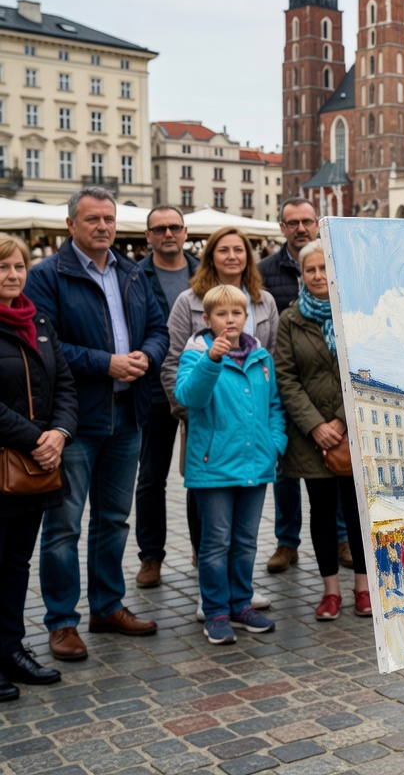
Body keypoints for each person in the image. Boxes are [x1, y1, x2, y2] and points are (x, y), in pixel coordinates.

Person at [26, 187, 169, 663]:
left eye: (109, 218)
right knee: (64, 525)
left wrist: (146, 357)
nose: (103, 226)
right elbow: (45, 345)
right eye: (92, 219)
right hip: (75, 419)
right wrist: (105, 363)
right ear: (71, 225)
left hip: (128, 414)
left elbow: (159, 329)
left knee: (113, 519)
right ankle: (61, 622)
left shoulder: (132, 272)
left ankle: (107, 606)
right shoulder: (48, 275)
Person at [161, 226, 278, 608]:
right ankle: (212, 600)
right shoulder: (191, 308)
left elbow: (272, 384)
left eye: (238, 249)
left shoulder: (263, 306)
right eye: (223, 249)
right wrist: (194, 416)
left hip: (252, 442)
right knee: (214, 531)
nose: (231, 256)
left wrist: (274, 442)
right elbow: (176, 367)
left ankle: (238, 597)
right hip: (210, 431)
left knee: (244, 536)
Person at [174, 285, 285, 644]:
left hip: (255, 463)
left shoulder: (261, 357)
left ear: (246, 317)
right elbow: (188, 397)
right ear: (207, 319)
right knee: (216, 542)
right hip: (214, 467)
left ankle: (241, 604)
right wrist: (211, 361)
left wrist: (275, 444)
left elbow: (274, 406)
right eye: (221, 314)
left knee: (246, 541)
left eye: (236, 313)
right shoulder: (196, 354)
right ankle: (216, 611)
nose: (230, 320)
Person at [273, 239, 371, 621]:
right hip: (310, 436)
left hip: (352, 429)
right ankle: (330, 591)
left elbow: (362, 367)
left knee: (357, 511)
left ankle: (363, 587)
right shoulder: (291, 319)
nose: (317, 275)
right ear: (302, 274)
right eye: (310, 269)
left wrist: (342, 421)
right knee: (322, 511)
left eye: (323, 267)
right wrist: (315, 425)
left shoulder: (353, 312)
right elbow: (286, 377)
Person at [0, 234, 75, 700]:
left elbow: (64, 383)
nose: (12, 275)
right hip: (11, 459)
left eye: (18, 266)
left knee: (15, 564)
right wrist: (35, 439)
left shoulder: (37, 320)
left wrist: (59, 433)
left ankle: (10, 649)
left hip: (33, 467)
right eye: (2, 267)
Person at [259, 198, 351, 573]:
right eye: (292, 222)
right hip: (292, 398)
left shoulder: (339, 271)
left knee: (339, 480)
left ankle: (343, 541)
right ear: (282, 227)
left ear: (316, 223)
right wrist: (311, 420)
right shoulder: (266, 270)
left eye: (306, 221)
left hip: (335, 406)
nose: (300, 228)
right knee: (287, 477)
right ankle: (286, 542)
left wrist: (340, 418)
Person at [133, 206, 199, 589]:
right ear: (148, 236)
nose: (168, 233)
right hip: (153, 389)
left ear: (185, 231)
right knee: (151, 477)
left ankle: (201, 549)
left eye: (175, 227)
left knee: (200, 477)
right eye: (159, 229)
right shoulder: (134, 276)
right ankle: (151, 557)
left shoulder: (203, 273)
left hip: (197, 389)